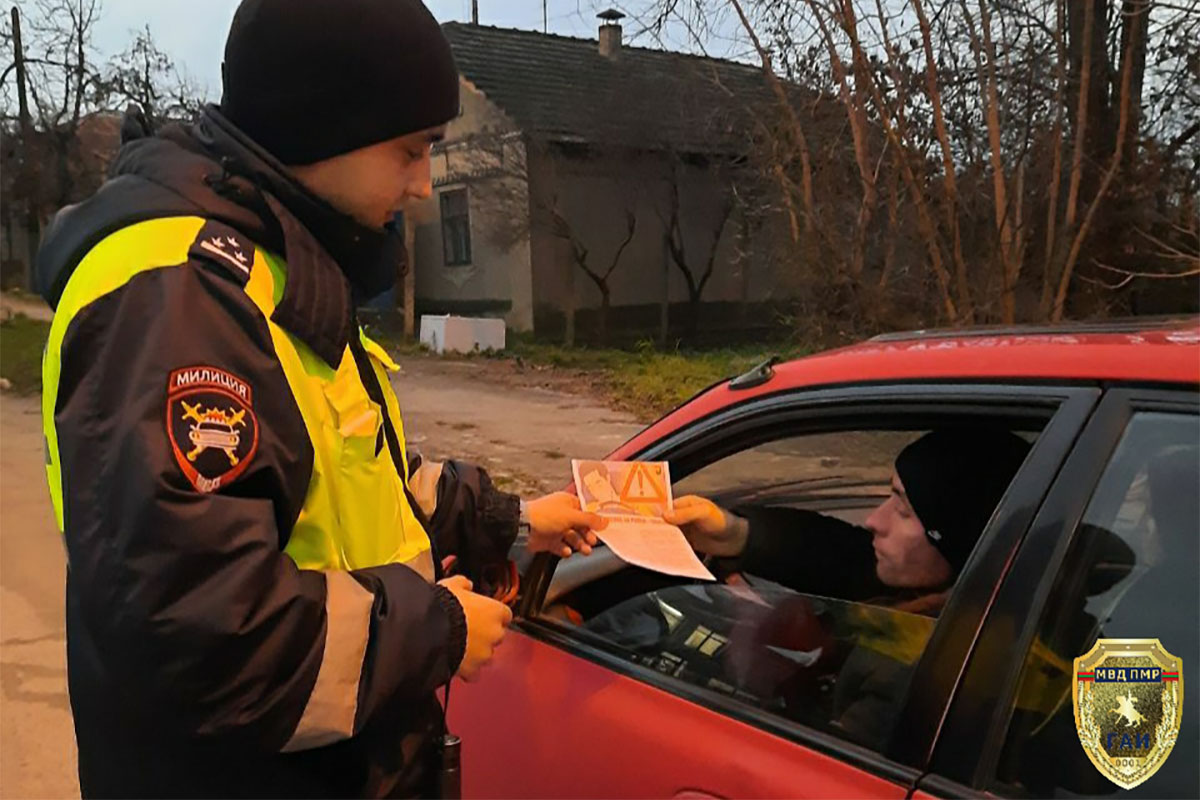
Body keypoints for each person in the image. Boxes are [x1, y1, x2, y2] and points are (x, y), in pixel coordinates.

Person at [34, 1, 602, 797]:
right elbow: (201, 633)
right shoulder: (179, 301)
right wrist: (437, 631)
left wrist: (509, 522)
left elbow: (350, 482)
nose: (423, 188)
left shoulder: (276, 271)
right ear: (318, 129)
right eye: (409, 152)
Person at [661, 428, 1032, 747]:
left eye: (903, 510)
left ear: (959, 540)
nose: (874, 520)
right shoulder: (982, 602)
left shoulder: (913, 671)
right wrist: (738, 534)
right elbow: (846, 558)